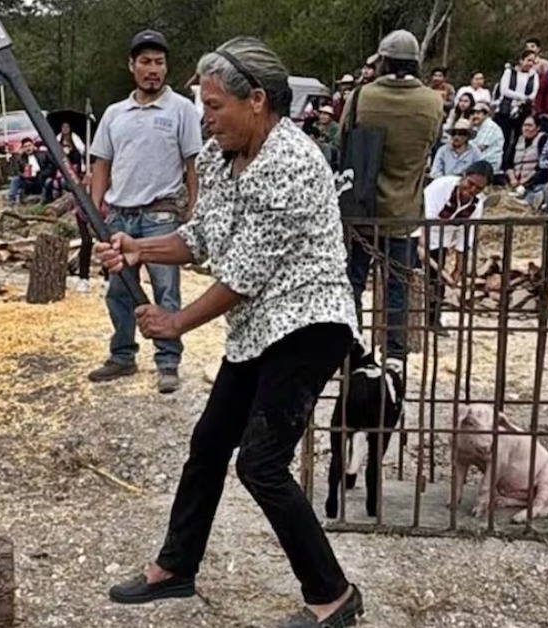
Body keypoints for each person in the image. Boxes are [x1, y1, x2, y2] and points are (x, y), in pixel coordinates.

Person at [99, 37, 365, 628]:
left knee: (261, 462)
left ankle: (333, 595)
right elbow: (202, 238)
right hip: (259, 325)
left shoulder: (292, 161)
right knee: (210, 440)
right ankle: (177, 566)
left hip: (309, 322)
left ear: (258, 101)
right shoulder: (225, 158)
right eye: (203, 104)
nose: (205, 117)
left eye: (215, 105)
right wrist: (137, 247)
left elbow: (242, 273)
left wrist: (176, 321)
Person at [86, 28, 202, 394]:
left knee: (166, 290)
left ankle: (168, 361)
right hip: (119, 214)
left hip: (161, 215)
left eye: (159, 62)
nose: (153, 69)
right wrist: (95, 210)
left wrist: (194, 210)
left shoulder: (182, 110)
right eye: (146, 62)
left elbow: (192, 165)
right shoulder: (115, 114)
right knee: (119, 291)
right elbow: (102, 164)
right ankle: (122, 355)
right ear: (131, 66)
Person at [341, 30, 443, 365]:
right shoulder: (433, 101)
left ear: (383, 61)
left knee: (354, 282)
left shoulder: (361, 97)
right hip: (404, 213)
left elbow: (344, 141)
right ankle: (396, 355)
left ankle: (351, 348)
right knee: (398, 284)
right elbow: (433, 142)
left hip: (363, 210)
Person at [415, 161, 493, 336]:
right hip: (418, 234)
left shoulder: (477, 204)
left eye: (478, 188)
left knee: (436, 283)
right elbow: (423, 216)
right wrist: (421, 245)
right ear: (464, 175)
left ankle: (433, 321)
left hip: (442, 240)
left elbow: (466, 235)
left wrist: (458, 268)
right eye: (470, 183)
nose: (472, 190)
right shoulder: (441, 186)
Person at [505, 115, 548, 196]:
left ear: (538, 128)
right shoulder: (518, 140)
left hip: (533, 180)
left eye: (530, 125)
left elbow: (542, 165)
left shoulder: (542, 139)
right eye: (525, 125)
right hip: (515, 180)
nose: (526, 128)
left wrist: (525, 181)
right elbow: (508, 163)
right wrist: (512, 179)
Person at [6, 138, 45, 204]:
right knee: (15, 180)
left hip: (40, 179)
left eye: (29, 146)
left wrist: (40, 173)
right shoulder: (21, 158)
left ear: (33, 146)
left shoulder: (42, 155)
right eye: (25, 147)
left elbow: (49, 168)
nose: (28, 148)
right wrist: (23, 175)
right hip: (27, 181)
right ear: (23, 148)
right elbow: (16, 171)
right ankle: (11, 200)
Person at [469, 101, 505, 170]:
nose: (475, 116)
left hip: (489, 164)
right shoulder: (479, 127)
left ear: (486, 115)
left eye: (478, 113)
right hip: (480, 163)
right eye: (473, 113)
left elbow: (479, 147)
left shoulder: (490, 125)